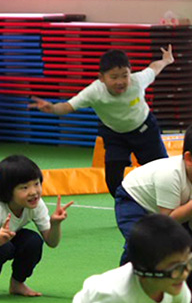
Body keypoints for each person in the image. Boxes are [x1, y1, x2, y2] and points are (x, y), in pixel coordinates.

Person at [29, 46, 175, 196]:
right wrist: (52, 108)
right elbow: (68, 106)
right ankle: (127, 205)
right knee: (113, 181)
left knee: (162, 173)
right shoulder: (94, 91)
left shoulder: (138, 81)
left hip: (145, 130)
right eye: (114, 77)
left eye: (125, 75)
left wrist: (166, 60)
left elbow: (153, 68)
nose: (120, 82)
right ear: (101, 78)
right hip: (115, 136)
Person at [114, 121, 192, 303]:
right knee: (144, 243)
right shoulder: (171, 174)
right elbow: (166, 223)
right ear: (189, 159)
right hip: (135, 201)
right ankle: (120, 291)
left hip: (177, 209)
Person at [0, 155, 72, 297]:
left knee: (32, 241)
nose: (33, 192)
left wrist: (55, 224)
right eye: (24, 187)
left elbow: (51, 242)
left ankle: (17, 284)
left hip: (6, 238)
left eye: (37, 184)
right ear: (7, 191)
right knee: (4, 247)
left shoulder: (36, 205)